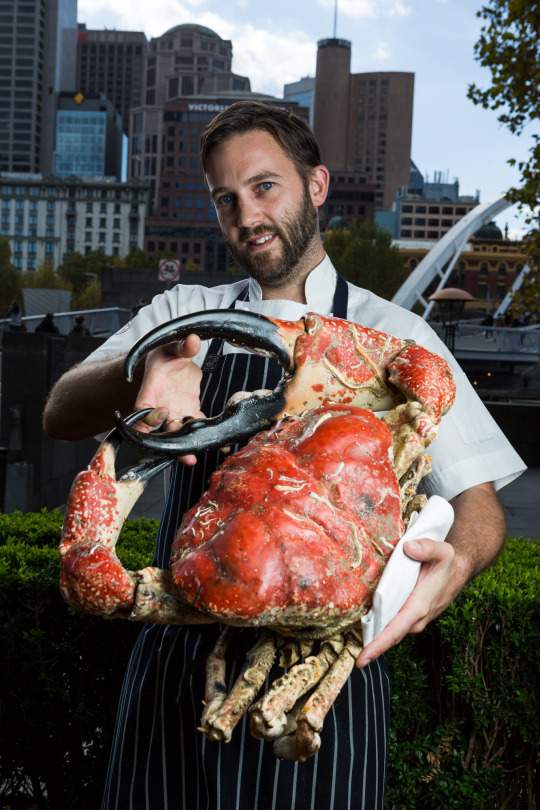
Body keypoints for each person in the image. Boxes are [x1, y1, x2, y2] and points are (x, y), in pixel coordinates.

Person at [43, 102, 525, 810]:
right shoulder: (185, 312)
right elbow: (57, 411)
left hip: (325, 684)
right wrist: (141, 372)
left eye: (265, 187)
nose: (247, 214)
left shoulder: (397, 335)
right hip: (176, 659)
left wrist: (454, 568)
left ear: (317, 186)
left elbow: (479, 509)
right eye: (226, 199)